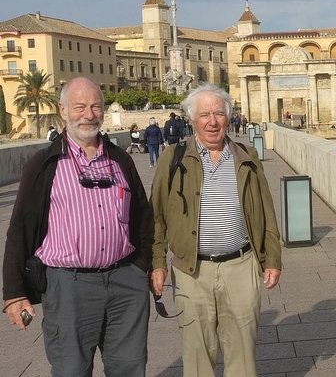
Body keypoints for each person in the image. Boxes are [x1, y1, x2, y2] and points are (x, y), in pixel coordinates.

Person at [2, 77, 153, 376]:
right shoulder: (44, 164)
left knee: (130, 368)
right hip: (68, 286)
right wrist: (14, 292)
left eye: (96, 106)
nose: (89, 114)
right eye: (80, 106)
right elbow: (20, 228)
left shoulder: (120, 159)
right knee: (71, 369)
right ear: (63, 110)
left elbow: (143, 216)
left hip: (125, 282)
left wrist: (142, 266)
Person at [150, 83, 282, 377]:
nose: (212, 121)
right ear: (192, 120)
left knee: (243, 355)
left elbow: (266, 210)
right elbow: (155, 217)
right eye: (205, 115)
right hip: (191, 270)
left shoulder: (246, 156)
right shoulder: (172, 158)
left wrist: (272, 258)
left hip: (241, 265)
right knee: (198, 356)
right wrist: (157, 264)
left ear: (229, 116)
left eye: (219, 114)